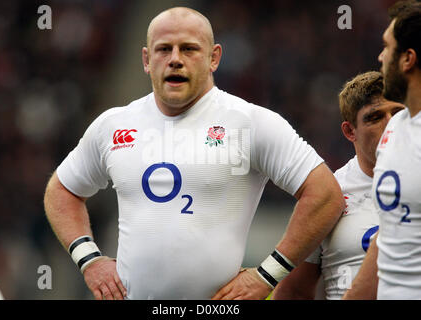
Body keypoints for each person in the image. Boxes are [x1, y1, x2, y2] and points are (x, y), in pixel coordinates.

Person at [44, 7, 345, 300]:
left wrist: (266, 275)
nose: (175, 60)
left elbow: (325, 194)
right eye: (164, 49)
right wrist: (90, 259)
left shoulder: (249, 122)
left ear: (214, 58)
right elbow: (61, 190)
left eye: (189, 49)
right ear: (147, 60)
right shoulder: (113, 125)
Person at [269, 71, 404, 300]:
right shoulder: (329, 195)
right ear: (350, 131)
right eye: (375, 117)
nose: (391, 124)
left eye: (399, 113)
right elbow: (293, 292)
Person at [343, 0, 421, 300]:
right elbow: (388, 236)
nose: (380, 56)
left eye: (387, 47)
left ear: (407, 59)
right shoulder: (396, 129)